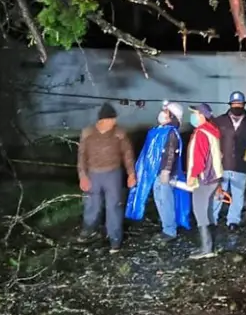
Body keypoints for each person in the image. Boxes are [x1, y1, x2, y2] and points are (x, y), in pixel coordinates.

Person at [125, 101, 192, 240]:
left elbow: (170, 153)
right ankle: (168, 227)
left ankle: (169, 230)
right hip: (155, 173)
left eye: (166, 112)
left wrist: (165, 171)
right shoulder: (159, 131)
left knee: (164, 201)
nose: (162, 113)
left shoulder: (170, 133)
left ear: (172, 116)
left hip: (163, 175)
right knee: (161, 201)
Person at [77, 103, 137, 254]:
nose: (114, 122)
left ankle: (115, 240)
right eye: (112, 119)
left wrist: (131, 174)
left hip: (113, 174)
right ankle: (88, 230)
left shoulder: (120, 133)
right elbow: (82, 156)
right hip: (93, 174)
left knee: (114, 206)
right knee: (92, 205)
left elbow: (128, 154)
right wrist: (83, 176)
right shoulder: (88, 133)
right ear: (103, 120)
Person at [209, 91, 246, 245]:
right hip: (222, 166)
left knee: (238, 195)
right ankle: (212, 220)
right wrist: (215, 152)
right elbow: (210, 138)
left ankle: (233, 221)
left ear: (243, 105)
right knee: (218, 193)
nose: (237, 106)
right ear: (230, 105)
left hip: (241, 167)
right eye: (234, 104)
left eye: (239, 104)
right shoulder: (220, 121)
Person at [185, 103, 224, 259]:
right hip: (214, 177)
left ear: (202, 115)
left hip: (204, 178)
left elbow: (199, 159)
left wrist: (193, 176)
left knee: (200, 211)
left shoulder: (201, 133)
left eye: (195, 113)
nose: (193, 116)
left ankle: (206, 249)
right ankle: (209, 245)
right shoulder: (212, 131)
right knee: (207, 210)